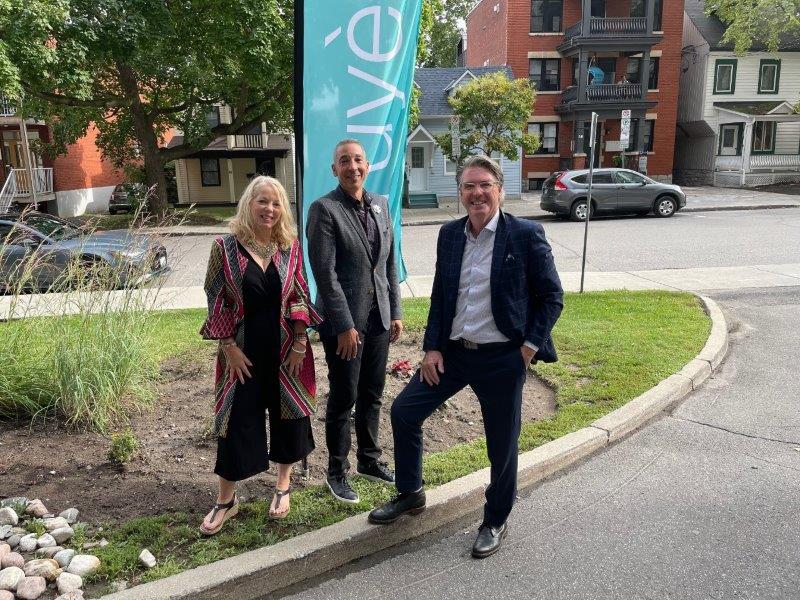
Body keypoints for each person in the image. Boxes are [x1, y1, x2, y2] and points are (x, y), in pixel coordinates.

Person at [368, 155, 564, 558]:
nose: (477, 194)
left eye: (484, 185)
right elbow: (443, 293)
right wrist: (432, 347)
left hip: (503, 357)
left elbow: (551, 297)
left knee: (501, 443)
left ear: (499, 190)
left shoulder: (526, 234)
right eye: (468, 187)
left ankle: (495, 518)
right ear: (460, 194)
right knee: (405, 411)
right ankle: (410, 492)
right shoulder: (450, 234)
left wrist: (527, 348)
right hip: (454, 353)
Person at [199, 175, 320, 534]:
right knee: (236, 421)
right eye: (262, 201)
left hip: (286, 352)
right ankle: (226, 500)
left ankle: (283, 486)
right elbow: (215, 297)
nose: (269, 209)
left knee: (289, 418)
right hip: (242, 353)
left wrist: (300, 341)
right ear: (248, 204)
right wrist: (229, 347)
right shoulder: (225, 247)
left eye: (276, 203)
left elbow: (299, 293)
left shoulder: (291, 246)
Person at [306, 139, 403, 504]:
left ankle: (369, 460)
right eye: (344, 161)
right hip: (343, 325)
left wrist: (395, 310)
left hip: (378, 317)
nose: (353, 167)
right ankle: (336, 470)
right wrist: (345, 325)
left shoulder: (380, 204)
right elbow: (325, 274)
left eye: (358, 160)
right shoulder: (324, 210)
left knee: (373, 393)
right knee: (344, 396)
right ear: (335, 170)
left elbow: (389, 263)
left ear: (368, 165)